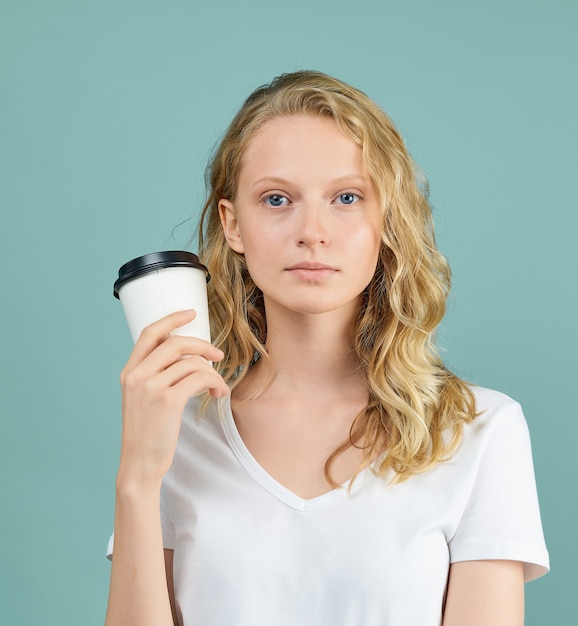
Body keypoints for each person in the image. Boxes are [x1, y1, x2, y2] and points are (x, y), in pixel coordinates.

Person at [105, 70, 549, 626]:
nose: (312, 231)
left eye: (346, 197)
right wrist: (138, 478)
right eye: (276, 199)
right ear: (232, 224)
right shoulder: (178, 432)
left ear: (384, 218)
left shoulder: (481, 430)